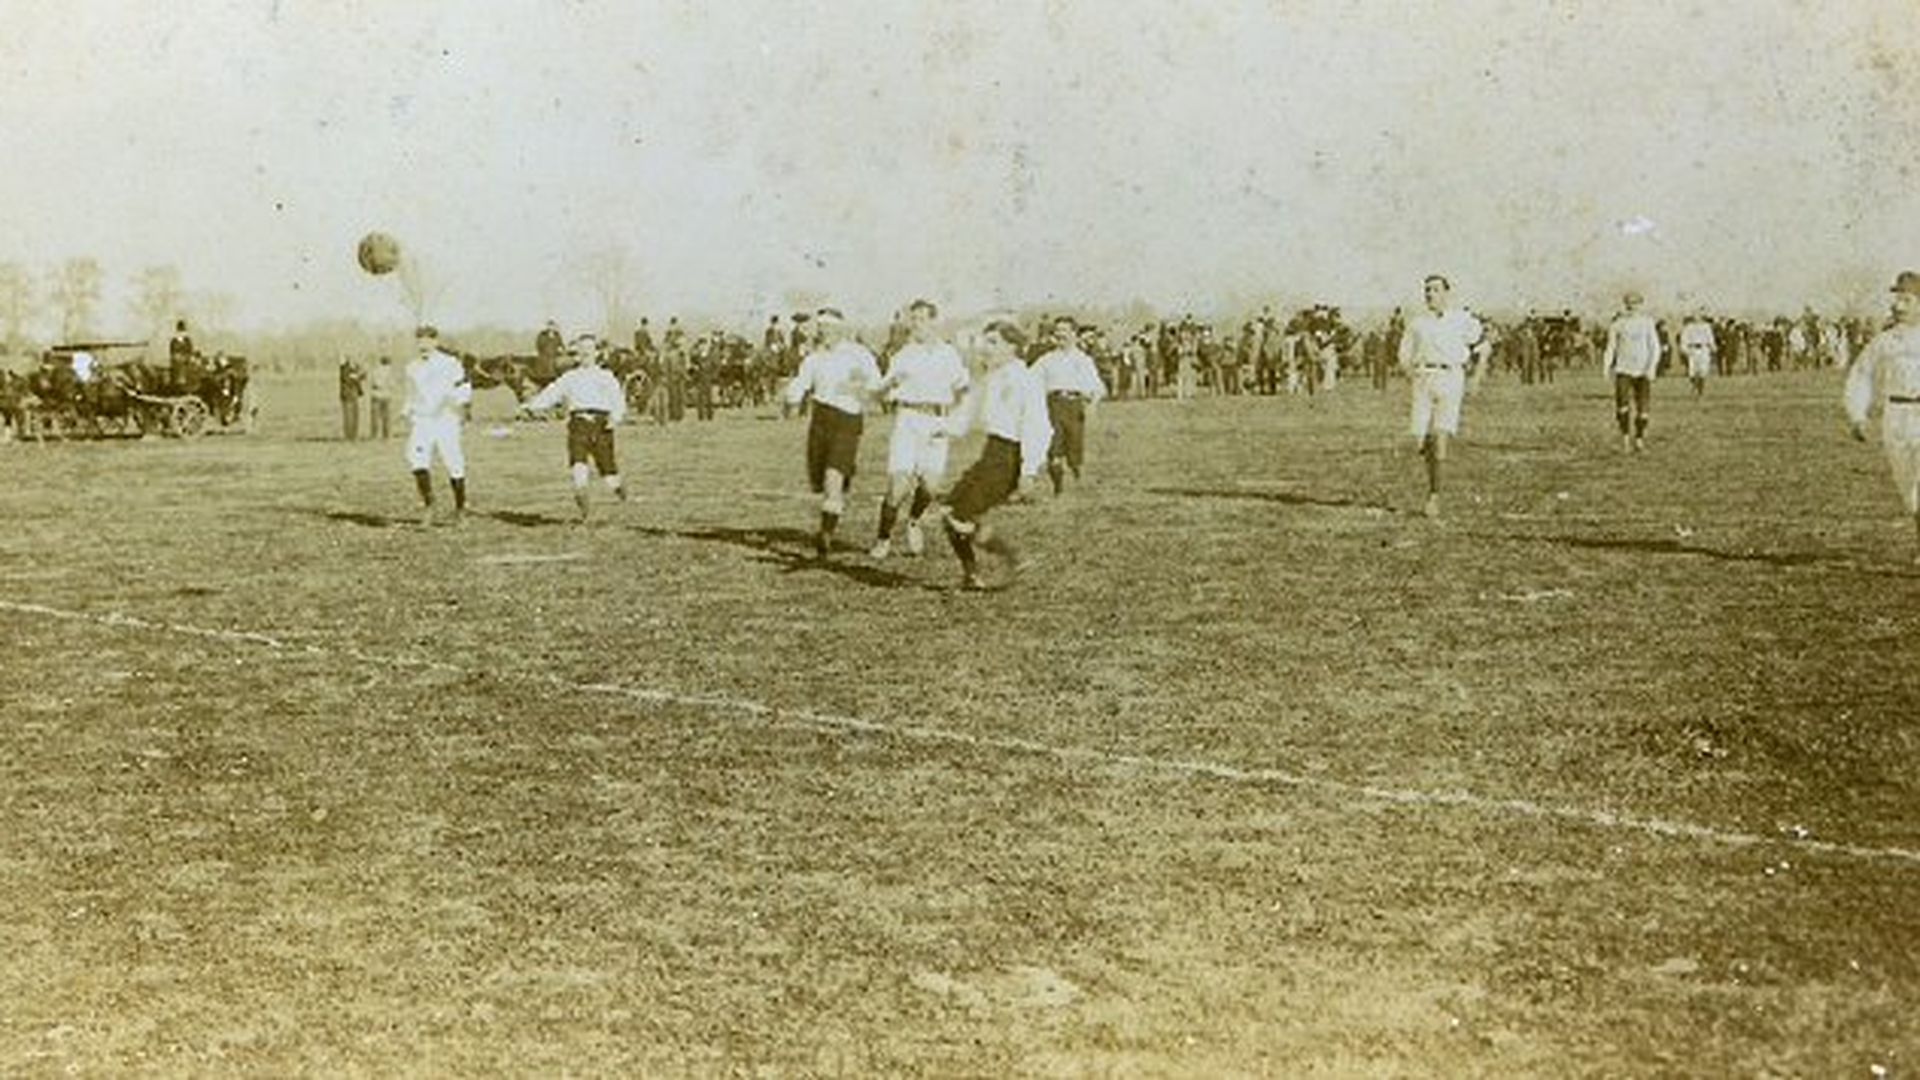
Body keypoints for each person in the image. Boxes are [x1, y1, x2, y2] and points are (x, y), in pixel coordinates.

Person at [944, 319, 1054, 591]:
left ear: (1013, 347)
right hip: (991, 452)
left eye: (993, 342)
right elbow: (968, 415)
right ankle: (972, 576)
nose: (986, 348)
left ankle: (1014, 559)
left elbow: (1037, 427)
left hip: (1009, 456)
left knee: (960, 517)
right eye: (986, 341)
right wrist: (939, 430)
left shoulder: (1024, 379)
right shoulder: (991, 377)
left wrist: (1028, 471)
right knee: (952, 514)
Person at [868, 298, 970, 559]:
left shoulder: (948, 354)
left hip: (937, 421)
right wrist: (888, 387)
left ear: (934, 322)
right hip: (908, 419)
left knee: (931, 487)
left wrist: (955, 420)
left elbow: (963, 388)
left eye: (922, 319)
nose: (917, 324)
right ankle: (883, 539)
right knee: (898, 487)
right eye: (913, 319)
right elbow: (880, 392)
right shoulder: (903, 355)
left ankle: (914, 520)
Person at [782, 307, 882, 557]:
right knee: (822, 482)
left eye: (829, 328)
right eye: (821, 328)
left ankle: (825, 537)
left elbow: (876, 384)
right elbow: (801, 383)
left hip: (847, 419)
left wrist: (859, 386)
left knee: (832, 479)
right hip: (820, 419)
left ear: (840, 329)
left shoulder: (858, 355)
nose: (824, 333)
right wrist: (792, 401)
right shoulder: (814, 357)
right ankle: (829, 519)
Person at [1396, 273, 1485, 519]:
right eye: (1427, 290)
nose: (1429, 294)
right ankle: (1434, 473)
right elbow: (1403, 355)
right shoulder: (1416, 324)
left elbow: (1483, 347)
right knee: (1420, 442)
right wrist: (1410, 373)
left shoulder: (1461, 319)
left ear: (1446, 293)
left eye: (1435, 290)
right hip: (1423, 380)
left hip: (1450, 378)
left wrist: (1476, 377)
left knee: (1439, 436)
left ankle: (1434, 495)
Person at [1845, 270, 1920, 561]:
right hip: (1897, 417)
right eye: (1897, 299)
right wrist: (1857, 415)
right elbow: (1861, 376)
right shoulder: (1885, 342)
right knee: (1908, 487)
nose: (1899, 306)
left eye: (1907, 299)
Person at [519, 334, 630, 521]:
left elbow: (617, 400)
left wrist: (615, 418)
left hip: (601, 425)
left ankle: (618, 488)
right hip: (578, 425)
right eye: (582, 349)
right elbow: (551, 394)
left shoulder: (605, 376)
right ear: (576, 354)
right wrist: (530, 406)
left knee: (608, 472)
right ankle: (585, 510)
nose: (586, 352)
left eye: (590, 349)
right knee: (578, 467)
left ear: (597, 353)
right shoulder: (570, 377)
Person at [404, 325, 472, 525]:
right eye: (419, 341)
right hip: (422, 420)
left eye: (427, 340)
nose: (423, 345)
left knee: (453, 462)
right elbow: (411, 394)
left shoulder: (450, 363)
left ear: (435, 342)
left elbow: (464, 388)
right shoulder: (412, 367)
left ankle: (460, 509)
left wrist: (452, 403)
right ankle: (429, 505)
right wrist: (406, 411)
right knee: (416, 460)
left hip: (445, 420)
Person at [1033, 315, 1108, 495]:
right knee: (1054, 450)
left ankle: (1076, 475)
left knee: (1074, 450)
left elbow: (1097, 387)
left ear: (1074, 334)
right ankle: (1058, 488)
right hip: (1052, 406)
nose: (1060, 335)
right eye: (1057, 331)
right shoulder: (1046, 360)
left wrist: (1092, 403)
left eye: (1064, 331)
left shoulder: (1083, 360)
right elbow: (1030, 380)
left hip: (1075, 407)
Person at [1603, 290, 1662, 452]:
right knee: (1622, 406)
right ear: (1625, 305)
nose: (1633, 307)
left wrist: (1652, 368)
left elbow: (1654, 347)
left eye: (1636, 304)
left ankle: (1639, 439)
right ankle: (1625, 439)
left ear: (1641, 305)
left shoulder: (1648, 323)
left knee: (1643, 409)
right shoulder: (1618, 324)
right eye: (1630, 304)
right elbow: (1611, 347)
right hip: (1623, 369)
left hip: (1643, 371)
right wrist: (1606, 367)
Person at [1679, 312, 1716, 398]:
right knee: (1692, 371)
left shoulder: (1706, 327)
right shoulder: (1688, 327)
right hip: (1693, 350)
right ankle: (1695, 385)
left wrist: (1713, 347)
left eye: (1699, 315)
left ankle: (1700, 390)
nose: (1697, 317)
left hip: (1704, 349)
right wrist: (1684, 349)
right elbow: (1684, 339)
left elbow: (1710, 338)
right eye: (1695, 315)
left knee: (1703, 370)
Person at [366, 356, 395, 439]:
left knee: (375, 417)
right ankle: (386, 435)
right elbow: (392, 384)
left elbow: (373, 383)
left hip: (376, 395)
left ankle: (374, 435)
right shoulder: (390, 372)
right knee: (386, 417)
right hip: (386, 396)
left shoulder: (376, 371)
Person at [337, 356, 365, 440]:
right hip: (349, 395)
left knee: (353, 416)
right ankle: (350, 435)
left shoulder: (348, 370)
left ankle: (352, 435)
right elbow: (353, 378)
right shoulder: (345, 370)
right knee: (350, 416)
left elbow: (358, 377)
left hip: (351, 395)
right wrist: (359, 374)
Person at [168, 319, 194, 393]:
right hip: (177, 360)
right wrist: (177, 356)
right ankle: (179, 382)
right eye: (180, 331)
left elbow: (190, 351)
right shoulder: (174, 341)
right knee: (178, 364)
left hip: (186, 360)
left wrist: (187, 357)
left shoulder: (187, 341)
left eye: (183, 331)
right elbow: (172, 352)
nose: (181, 333)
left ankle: (188, 383)